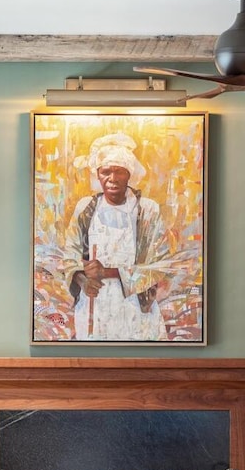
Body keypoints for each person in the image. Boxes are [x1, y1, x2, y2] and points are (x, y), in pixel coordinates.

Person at [60, 132, 190, 341]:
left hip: (136, 309)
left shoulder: (147, 211)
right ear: (97, 174)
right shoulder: (86, 209)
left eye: (119, 171)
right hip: (94, 306)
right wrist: (82, 279)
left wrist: (109, 272)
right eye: (106, 172)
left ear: (129, 174)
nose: (112, 179)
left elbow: (161, 266)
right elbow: (69, 256)